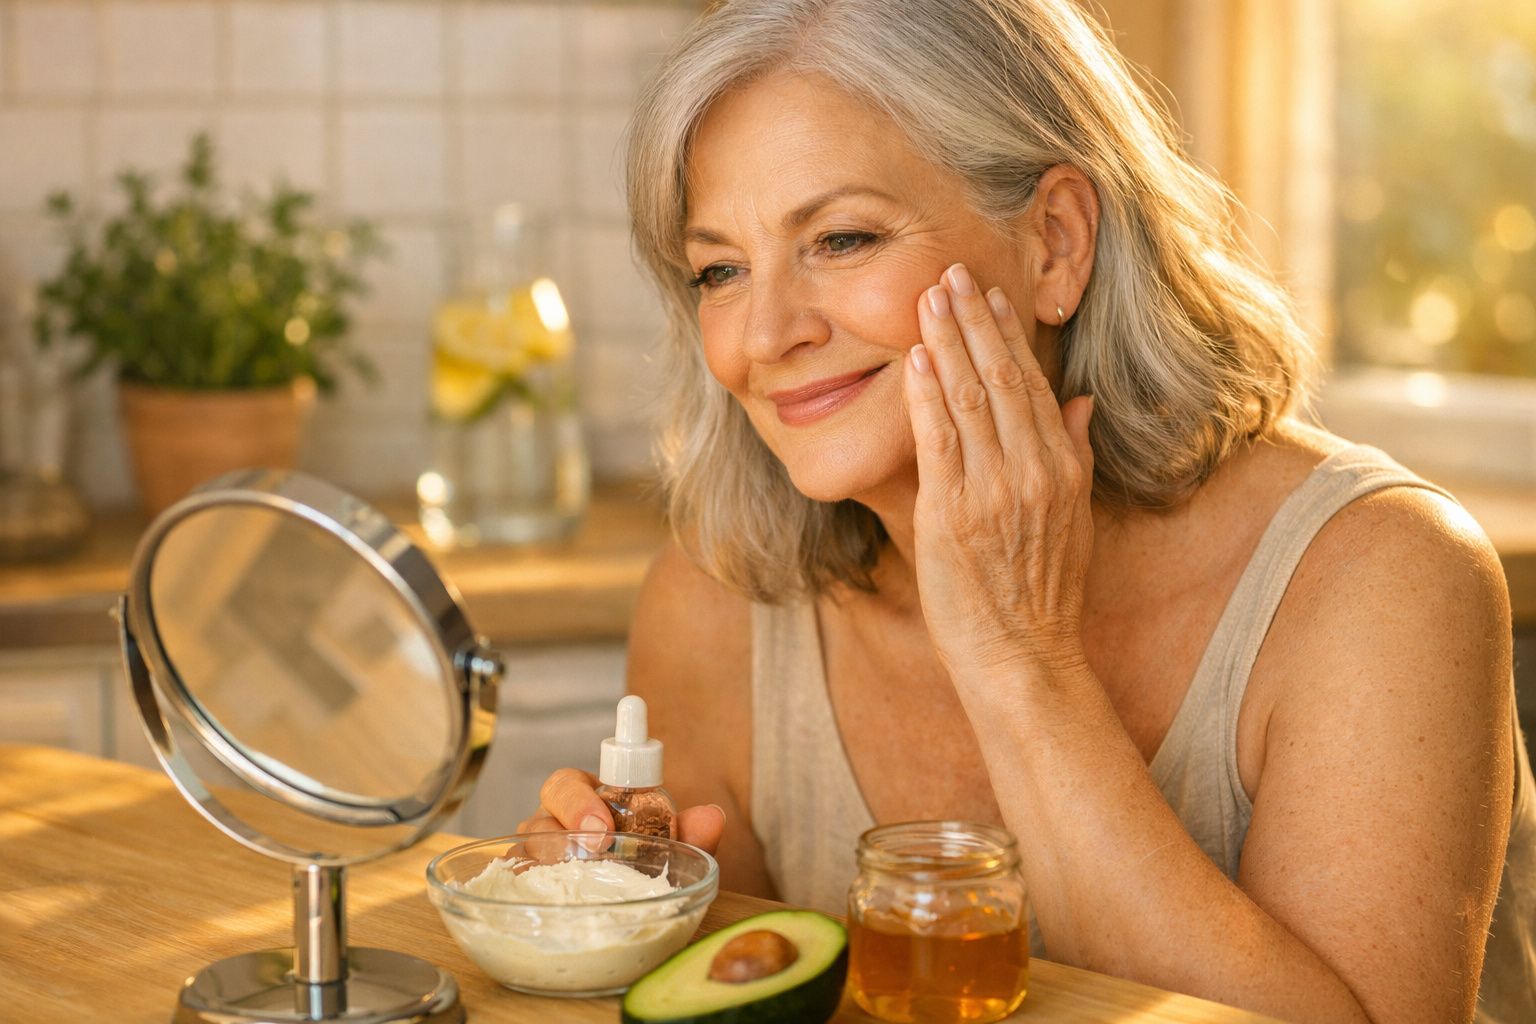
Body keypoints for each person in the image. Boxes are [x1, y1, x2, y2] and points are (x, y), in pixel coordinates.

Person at [518, 1, 1536, 1020]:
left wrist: (1021, 661)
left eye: (841, 237)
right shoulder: (714, 604)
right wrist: (616, 908)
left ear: (1053, 243)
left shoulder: (1382, 576)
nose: (767, 332)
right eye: (721, 270)